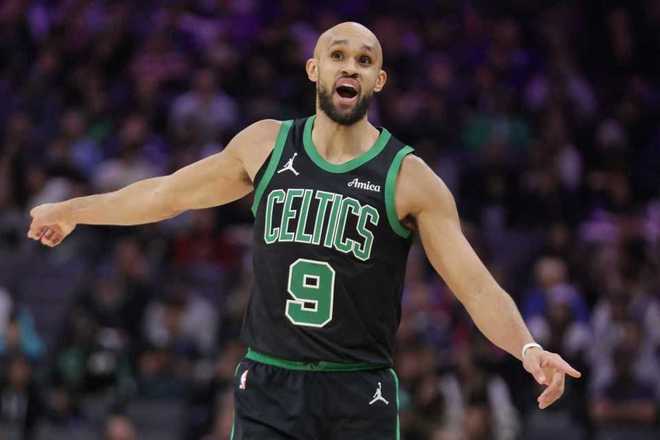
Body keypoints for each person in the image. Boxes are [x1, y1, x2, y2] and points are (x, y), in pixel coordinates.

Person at [27, 22, 581, 440]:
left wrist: (528, 349)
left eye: (364, 60)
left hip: (358, 388)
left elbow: (474, 285)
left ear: (379, 80)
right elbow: (166, 194)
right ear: (314, 69)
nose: (350, 67)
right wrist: (74, 209)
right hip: (269, 382)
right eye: (337, 55)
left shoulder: (409, 178)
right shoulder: (266, 144)